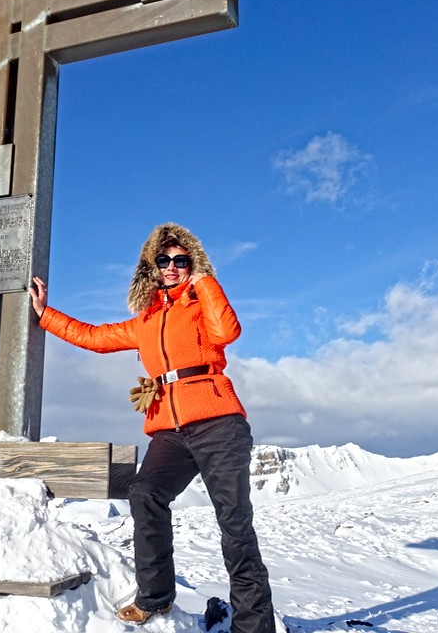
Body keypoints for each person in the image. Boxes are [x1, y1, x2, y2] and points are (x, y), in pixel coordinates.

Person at [28, 222, 275, 632]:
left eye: (182, 260)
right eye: (165, 261)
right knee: (144, 493)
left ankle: (253, 626)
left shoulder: (200, 302)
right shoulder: (145, 321)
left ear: (192, 264)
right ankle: (155, 598)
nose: (173, 267)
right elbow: (94, 336)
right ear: (152, 267)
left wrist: (206, 282)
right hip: (170, 429)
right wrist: (46, 315)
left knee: (234, 523)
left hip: (218, 421)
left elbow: (227, 332)